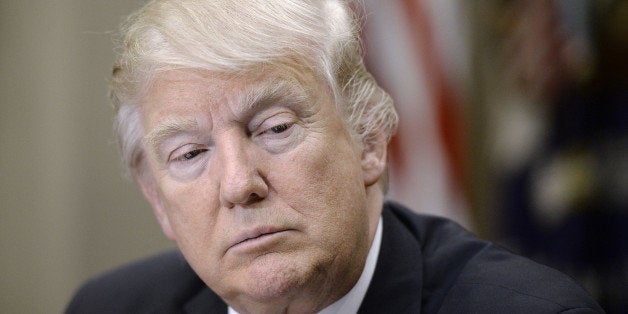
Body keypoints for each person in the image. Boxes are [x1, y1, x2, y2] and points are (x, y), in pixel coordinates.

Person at [66, 0, 604, 313]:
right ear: (157, 197)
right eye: (189, 154)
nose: (237, 184)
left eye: (274, 128)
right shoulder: (110, 308)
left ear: (369, 139)